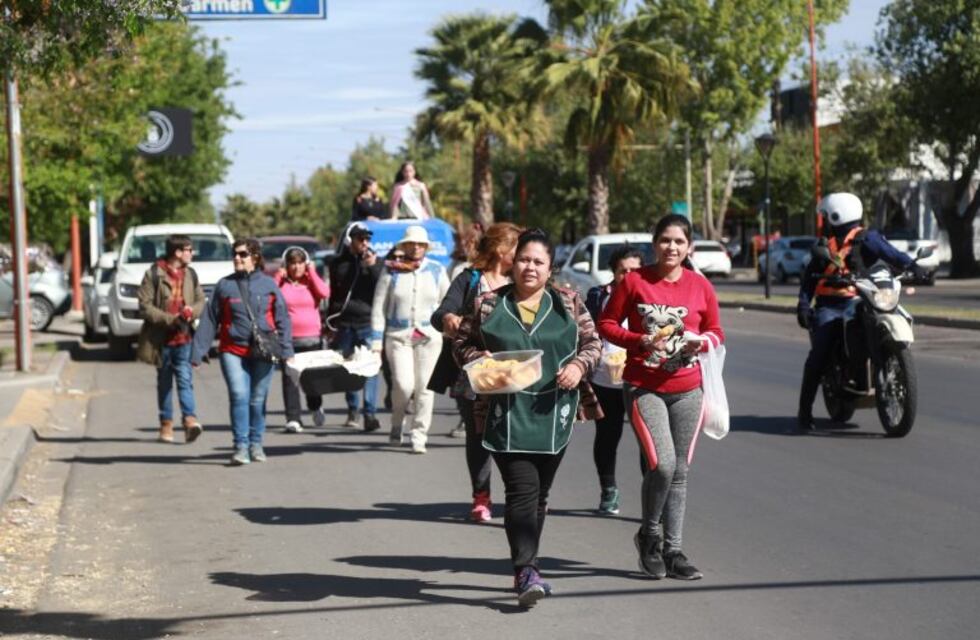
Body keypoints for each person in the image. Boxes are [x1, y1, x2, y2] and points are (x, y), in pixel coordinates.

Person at [453, 228, 602, 608]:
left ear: (550, 268)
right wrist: (482, 363)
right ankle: (525, 569)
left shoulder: (569, 302)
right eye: (523, 260)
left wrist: (578, 367)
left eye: (538, 262)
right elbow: (463, 343)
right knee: (521, 489)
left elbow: (592, 343)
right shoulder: (487, 303)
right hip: (504, 412)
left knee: (540, 495)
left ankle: (529, 564)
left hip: (555, 412)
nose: (529, 267)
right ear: (512, 262)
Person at [598, 214, 724, 581]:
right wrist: (639, 341)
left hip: (689, 388)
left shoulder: (700, 285)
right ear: (654, 244)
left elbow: (716, 331)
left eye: (679, 242)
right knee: (663, 465)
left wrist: (701, 341)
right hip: (643, 386)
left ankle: (674, 550)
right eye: (665, 240)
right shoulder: (635, 281)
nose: (672, 247)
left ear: (689, 248)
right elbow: (607, 323)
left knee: (681, 471)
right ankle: (649, 535)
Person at [795, 192, 924, 431]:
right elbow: (808, 280)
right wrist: (804, 305)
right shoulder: (824, 247)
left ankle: (883, 364)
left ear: (835, 216)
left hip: (862, 298)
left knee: (893, 315)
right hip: (830, 306)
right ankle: (805, 411)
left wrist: (912, 265)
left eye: (826, 217)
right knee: (819, 352)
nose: (823, 222)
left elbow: (891, 253)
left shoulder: (867, 238)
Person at [430, 222, 521, 522]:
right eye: (517, 247)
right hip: (474, 371)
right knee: (479, 436)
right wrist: (449, 318)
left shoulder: (522, 280)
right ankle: (481, 496)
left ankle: (522, 496)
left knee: (515, 435)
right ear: (500, 249)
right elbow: (440, 313)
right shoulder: (470, 279)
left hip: (515, 371)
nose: (523, 255)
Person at [191, 238, 294, 466]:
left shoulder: (268, 285)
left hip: (264, 351)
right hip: (232, 349)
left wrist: (287, 350)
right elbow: (209, 319)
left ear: (255, 257)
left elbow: (283, 318)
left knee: (257, 400)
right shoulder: (224, 285)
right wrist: (198, 352)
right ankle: (240, 446)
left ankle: (256, 444)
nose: (237, 258)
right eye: (235, 254)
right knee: (239, 395)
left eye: (243, 254)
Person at [370, 225, 449, 453]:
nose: (416, 247)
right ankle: (397, 422)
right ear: (403, 246)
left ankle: (419, 433)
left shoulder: (436, 270)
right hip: (398, 337)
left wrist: (447, 329)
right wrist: (376, 344)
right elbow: (378, 308)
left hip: (429, 337)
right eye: (411, 243)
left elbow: (448, 303)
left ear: (425, 247)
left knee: (425, 387)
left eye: (420, 244)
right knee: (404, 386)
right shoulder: (391, 272)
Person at [584, 244, 645, 515]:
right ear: (614, 272)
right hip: (605, 379)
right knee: (608, 437)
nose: (629, 276)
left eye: (635, 270)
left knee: (649, 442)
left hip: (643, 380)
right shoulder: (598, 296)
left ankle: (652, 496)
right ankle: (608, 490)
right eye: (623, 271)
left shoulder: (651, 296)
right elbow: (584, 330)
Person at [136, 234, 206, 444]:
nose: (191, 254)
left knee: (185, 379)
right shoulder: (154, 274)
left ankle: (189, 421)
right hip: (161, 339)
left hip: (184, 337)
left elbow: (201, 300)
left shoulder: (190, 274)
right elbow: (144, 306)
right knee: (165, 382)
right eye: (188, 250)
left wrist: (190, 312)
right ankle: (166, 424)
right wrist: (169, 319)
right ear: (177, 253)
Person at [327, 223, 383, 432]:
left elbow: (382, 287)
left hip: (368, 322)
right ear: (352, 240)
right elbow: (335, 293)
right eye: (360, 239)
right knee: (349, 367)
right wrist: (329, 322)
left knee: (370, 368)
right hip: (345, 322)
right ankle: (353, 409)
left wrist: (371, 266)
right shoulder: (339, 263)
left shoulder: (376, 262)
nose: (364, 243)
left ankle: (370, 413)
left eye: (367, 239)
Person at [275, 246, 330, 433]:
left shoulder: (310, 282)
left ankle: (315, 406)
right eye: (292, 263)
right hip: (288, 340)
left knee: (312, 380)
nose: (296, 267)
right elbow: (269, 297)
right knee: (290, 379)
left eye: (300, 263)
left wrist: (312, 271)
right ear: (286, 265)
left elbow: (324, 293)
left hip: (312, 339)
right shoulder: (282, 284)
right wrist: (278, 277)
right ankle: (293, 418)